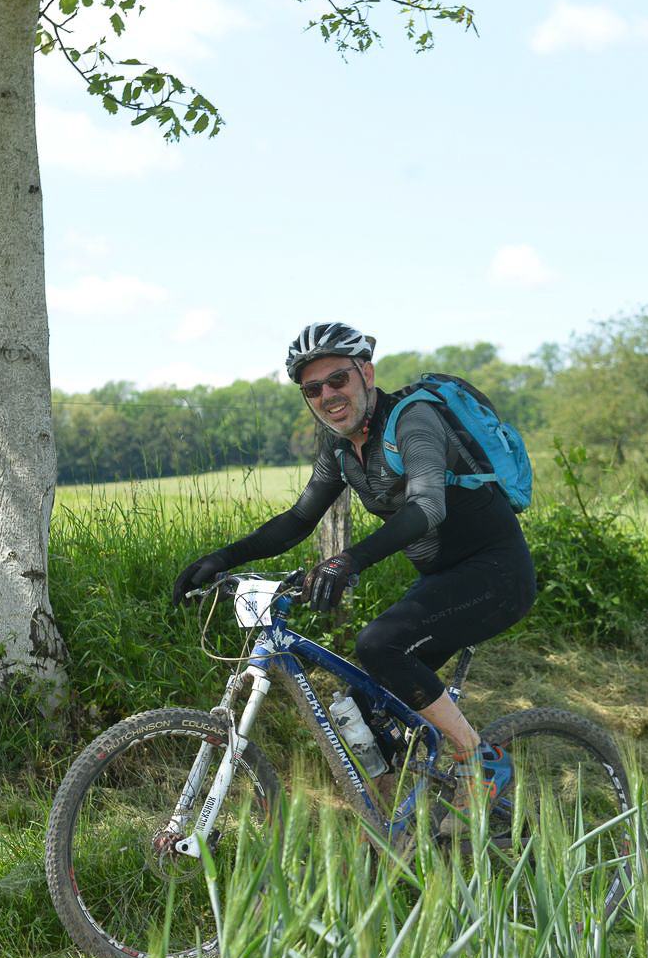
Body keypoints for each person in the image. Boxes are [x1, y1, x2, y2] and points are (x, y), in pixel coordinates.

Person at [172, 322, 536, 826]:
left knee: (377, 644)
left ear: (366, 373)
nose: (327, 396)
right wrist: (220, 559)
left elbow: (427, 506)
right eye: (312, 389)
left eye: (337, 379)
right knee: (363, 717)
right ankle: (389, 838)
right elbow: (300, 519)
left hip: (497, 574)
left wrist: (351, 559)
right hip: (440, 581)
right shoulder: (340, 446)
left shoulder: (414, 421)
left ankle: (479, 760)